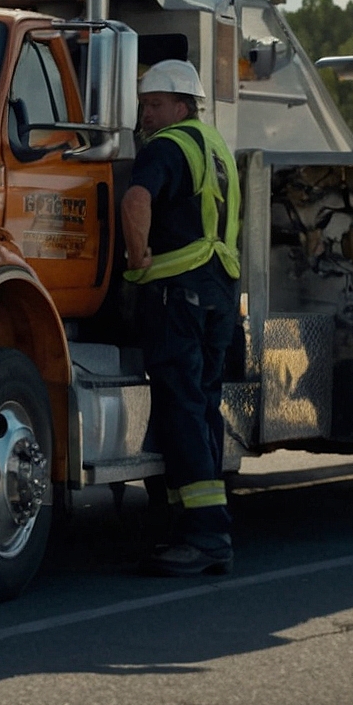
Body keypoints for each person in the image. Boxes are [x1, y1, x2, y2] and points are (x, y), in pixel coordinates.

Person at [121, 59, 242, 576]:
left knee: (181, 408)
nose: (146, 114)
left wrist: (137, 256)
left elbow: (136, 198)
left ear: (181, 105)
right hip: (219, 290)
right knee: (202, 405)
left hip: (178, 291)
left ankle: (206, 535)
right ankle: (191, 522)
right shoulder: (215, 146)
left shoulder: (167, 146)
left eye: (154, 104)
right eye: (143, 105)